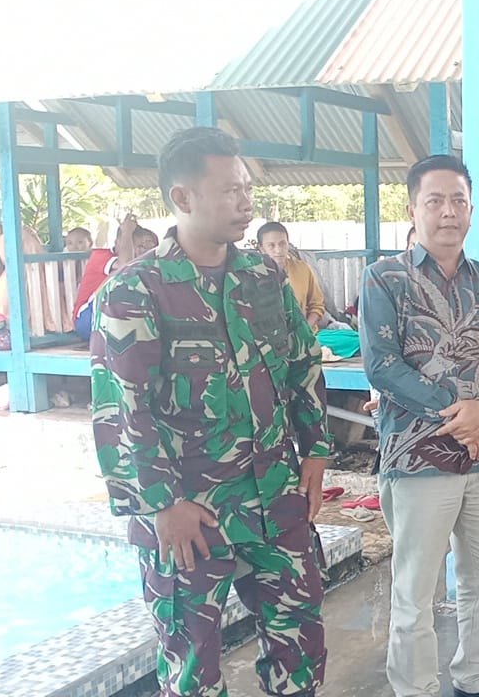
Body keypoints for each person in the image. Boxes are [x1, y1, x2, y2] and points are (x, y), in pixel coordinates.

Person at [90, 126, 331, 696]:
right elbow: (122, 410)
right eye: (230, 190)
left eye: (247, 189)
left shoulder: (263, 276)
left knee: (300, 653)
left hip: (275, 497)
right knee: (193, 668)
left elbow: (302, 363)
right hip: (190, 512)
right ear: (182, 197)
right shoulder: (135, 291)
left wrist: (317, 450)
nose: (245, 202)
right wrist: (160, 505)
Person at [359, 155, 479, 697]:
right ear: (413, 209)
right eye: (435, 201)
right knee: (416, 590)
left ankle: (477, 680)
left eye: (458, 200)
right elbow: (383, 366)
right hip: (418, 457)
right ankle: (416, 688)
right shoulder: (384, 279)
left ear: (472, 210)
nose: (448, 211)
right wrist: (463, 413)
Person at [74, 214, 160, 341]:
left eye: (148, 247)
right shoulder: (100, 255)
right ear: (117, 243)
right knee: (121, 276)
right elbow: (125, 265)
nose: (143, 251)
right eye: (138, 246)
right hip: (88, 318)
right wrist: (127, 233)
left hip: (117, 320)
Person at [256, 221, 327, 333]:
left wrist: (305, 329)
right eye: (271, 245)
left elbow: (317, 304)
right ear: (261, 248)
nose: (278, 250)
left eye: (282, 244)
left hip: (304, 334)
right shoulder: (253, 274)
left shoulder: (303, 269)